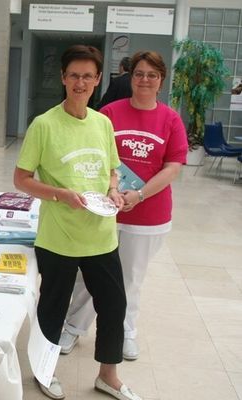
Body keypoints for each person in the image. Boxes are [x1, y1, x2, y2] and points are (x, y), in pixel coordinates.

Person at [14, 45, 141, 400]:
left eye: (88, 76)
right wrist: (60, 194)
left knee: (114, 307)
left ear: (98, 79)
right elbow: (21, 179)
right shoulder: (45, 124)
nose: (80, 82)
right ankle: (44, 371)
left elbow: (111, 170)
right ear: (63, 78)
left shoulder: (103, 123)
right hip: (59, 237)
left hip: (101, 236)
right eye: (74, 75)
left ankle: (108, 376)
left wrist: (114, 191)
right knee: (52, 308)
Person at [60, 51, 188, 362]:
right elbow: (93, 156)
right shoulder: (109, 114)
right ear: (130, 78)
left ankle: (127, 331)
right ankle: (74, 326)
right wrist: (111, 192)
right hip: (105, 209)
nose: (145, 80)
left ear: (161, 81)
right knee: (92, 273)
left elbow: (173, 166)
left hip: (148, 216)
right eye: (139, 74)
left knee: (130, 278)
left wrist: (140, 195)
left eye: (152, 75)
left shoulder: (170, 119)